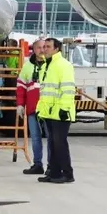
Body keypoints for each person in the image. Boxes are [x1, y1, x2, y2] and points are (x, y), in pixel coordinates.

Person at [36, 37, 76, 184]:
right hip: (49, 112)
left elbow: (68, 89)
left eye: (48, 47)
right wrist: (40, 109)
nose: (44, 49)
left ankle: (67, 174)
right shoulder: (46, 65)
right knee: (52, 144)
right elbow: (45, 91)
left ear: (56, 49)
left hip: (60, 112)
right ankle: (54, 173)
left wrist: (64, 109)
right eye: (43, 47)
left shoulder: (64, 65)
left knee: (60, 144)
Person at [16, 39, 49, 175]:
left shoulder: (51, 64)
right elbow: (21, 87)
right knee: (35, 138)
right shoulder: (27, 67)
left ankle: (51, 166)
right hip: (32, 108)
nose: (42, 50)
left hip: (48, 108)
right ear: (34, 50)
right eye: (39, 47)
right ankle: (37, 164)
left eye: (44, 47)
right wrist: (20, 105)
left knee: (51, 138)